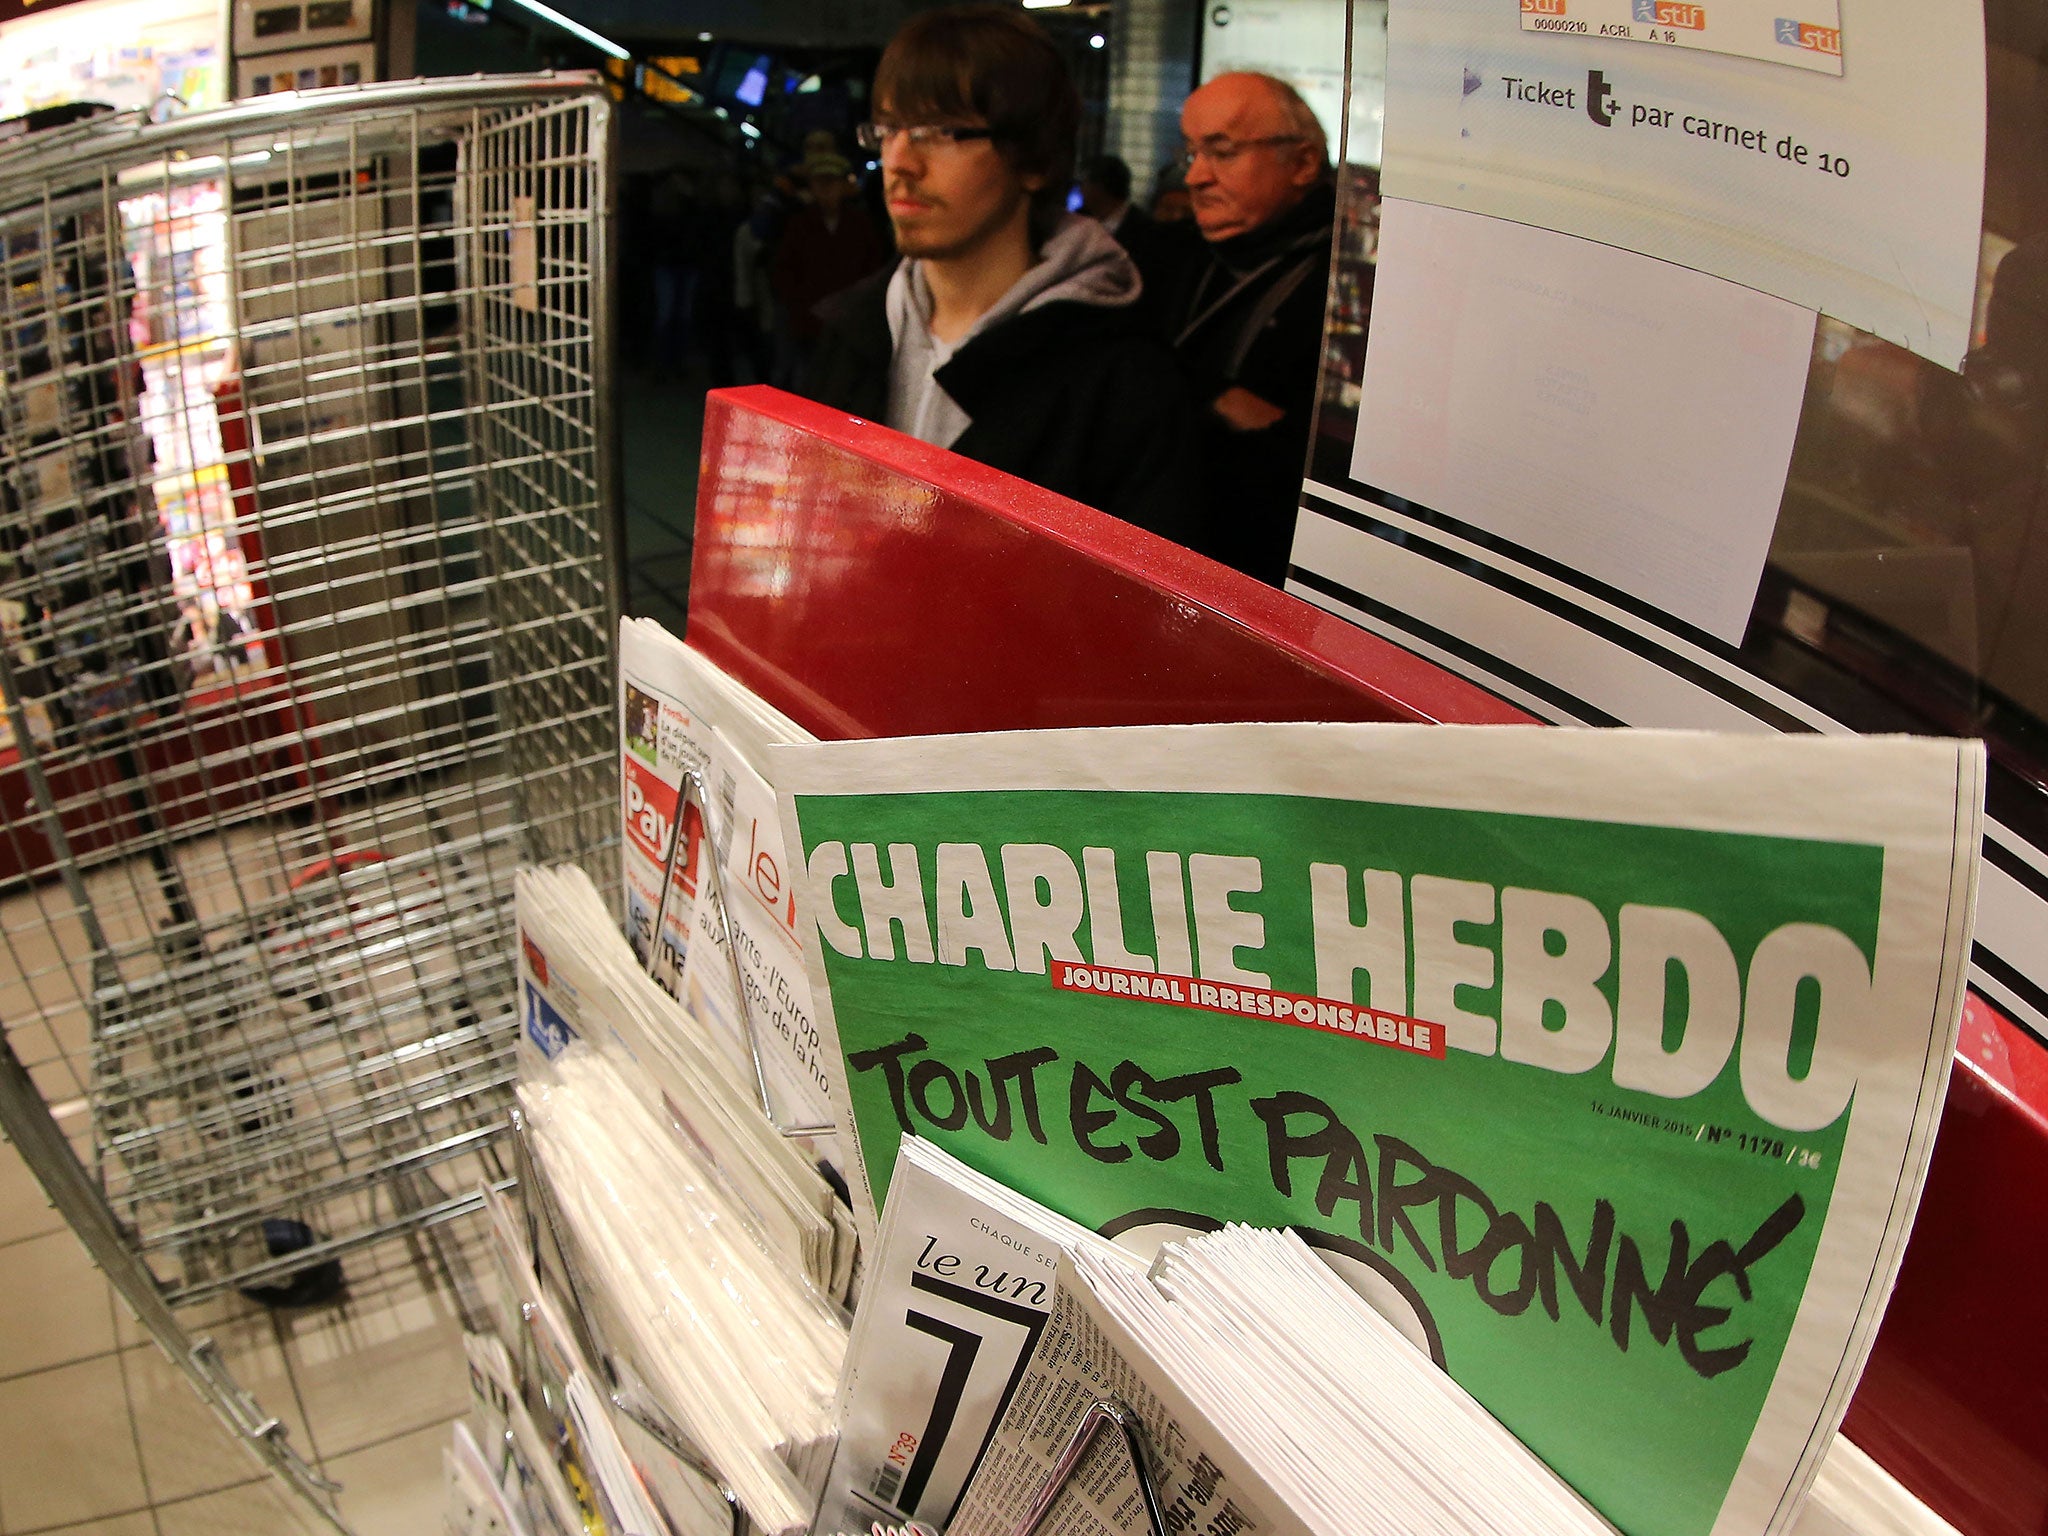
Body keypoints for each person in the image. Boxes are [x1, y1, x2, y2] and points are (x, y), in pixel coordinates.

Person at [803, 4, 1201, 543]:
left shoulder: (1122, 379)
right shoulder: (857, 329)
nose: (900, 162)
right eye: (890, 129)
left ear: (1034, 160)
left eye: (941, 132)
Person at [1157, 71, 1336, 586]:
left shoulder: (1349, 281)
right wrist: (1217, 397)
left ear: (1302, 162)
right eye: (1191, 153)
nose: (1195, 178)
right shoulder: (1171, 253)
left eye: (1223, 152)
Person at [771, 149, 887, 383]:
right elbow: (783, 272)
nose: (826, 190)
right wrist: (801, 306)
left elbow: (874, 270)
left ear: (843, 186)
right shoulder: (799, 224)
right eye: (820, 183)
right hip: (808, 323)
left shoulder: (860, 224)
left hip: (851, 325)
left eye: (832, 183)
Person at [1078, 152, 1173, 290]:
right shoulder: (1076, 220)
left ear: (1098, 187)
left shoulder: (1146, 231)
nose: (1080, 190)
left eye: (1083, 183)